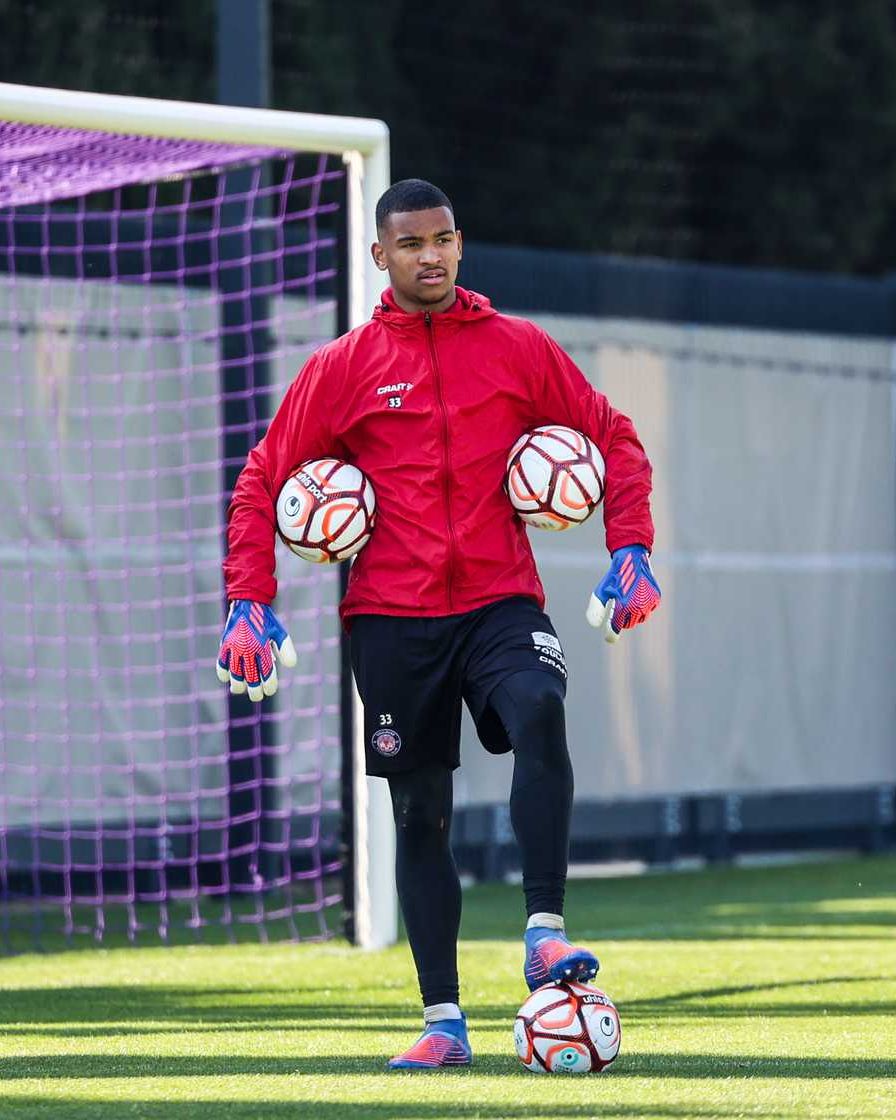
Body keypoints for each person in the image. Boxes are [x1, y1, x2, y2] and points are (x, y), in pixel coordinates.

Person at [216, 179, 661, 1070]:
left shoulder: (520, 348)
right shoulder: (342, 367)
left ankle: (543, 931)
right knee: (420, 814)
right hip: (391, 616)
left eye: (444, 239)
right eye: (411, 243)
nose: (431, 255)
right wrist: (248, 600)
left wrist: (631, 548)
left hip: (501, 599)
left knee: (540, 705)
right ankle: (444, 1023)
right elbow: (263, 477)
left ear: (462, 245)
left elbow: (613, 436)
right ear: (379, 256)